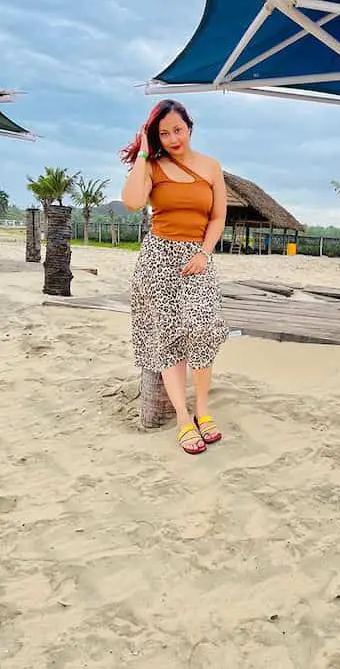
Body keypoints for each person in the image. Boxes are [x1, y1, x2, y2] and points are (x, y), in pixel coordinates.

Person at [120, 99, 229, 455]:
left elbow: (217, 218)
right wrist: (143, 154)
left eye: (177, 130)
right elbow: (134, 202)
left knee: (204, 328)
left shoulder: (211, 166)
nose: (172, 138)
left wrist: (204, 253)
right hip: (159, 258)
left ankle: (202, 410)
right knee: (168, 336)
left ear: (190, 127)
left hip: (197, 257)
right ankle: (183, 418)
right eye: (164, 133)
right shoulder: (153, 167)